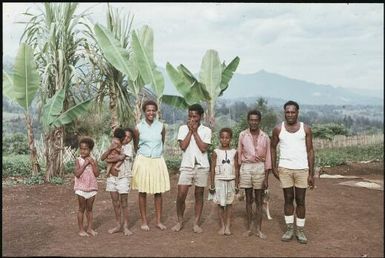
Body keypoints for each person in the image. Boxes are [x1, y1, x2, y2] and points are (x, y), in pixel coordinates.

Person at [271, 100, 315, 244]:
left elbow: (310, 151)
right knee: (288, 199)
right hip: (285, 169)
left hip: (302, 169)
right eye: (287, 112)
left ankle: (300, 230)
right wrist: (274, 167)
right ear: (284, 113)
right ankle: (289, 229)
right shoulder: (278, 129)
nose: (290, 114)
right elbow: (272, 148)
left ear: (297, 112)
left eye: (293, 112)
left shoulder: (306, 129)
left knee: (301, 200)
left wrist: (311, 173)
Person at [171, 103, 212, 233]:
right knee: (181, 194)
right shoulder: (183, 128)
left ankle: (196, 223)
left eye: (195, 116)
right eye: (190, 116)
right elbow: (183, 146)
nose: (192, 119)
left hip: (202, 166)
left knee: (199, 194)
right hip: (186, 165)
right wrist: (190, 131)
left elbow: (203, 148)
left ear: (200, 117)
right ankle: (180, 221)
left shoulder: (206, 130)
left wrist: (195, 132)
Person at [131, 100, 170, 231]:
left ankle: (158, 221)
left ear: (156, 111)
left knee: (158, 192)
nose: (151, 113)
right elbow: (136, 146)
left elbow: (162, 142)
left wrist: (155, 155)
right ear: (144, 111)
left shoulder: (161, 126)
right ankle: (144, 221)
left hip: (157, 160)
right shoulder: (138, 127)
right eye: (148, 110)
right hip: (143, 160)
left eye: (153, 110)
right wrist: (145, 156)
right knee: (142, 191)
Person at [237, 109, 271, 239]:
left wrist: (266, 177)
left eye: (256, 120)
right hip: (246, 168)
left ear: (259, 121)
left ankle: (259, 229)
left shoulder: (265, 137)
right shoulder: (242, 135)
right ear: (248, 121)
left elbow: (268, 158)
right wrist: (239, 175)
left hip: (260, 169)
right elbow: (239, 154)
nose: (253, 122)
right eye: (251, 120)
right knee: (248, 199)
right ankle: (250, 228)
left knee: (259, 200)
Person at [101, 127, 135, 236]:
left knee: (124, 203)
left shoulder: (128, 147)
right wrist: (110, 150)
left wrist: (109, 159)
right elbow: (103, 158)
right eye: (125, 136)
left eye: (129, 137)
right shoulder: (114, 145)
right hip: (111, 178)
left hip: (123, 177)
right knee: (115, 203)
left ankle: (125, 226)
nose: (126, 139)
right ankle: (118, 225)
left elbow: (120, 158)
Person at [208, 128, 239, 236]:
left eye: (227, 138)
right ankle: (222, 225)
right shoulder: (215, 152)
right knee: (221, 204)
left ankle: (228, 226)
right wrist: (212, 184)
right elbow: (212, 168)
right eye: (222, 137)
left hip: (231, 180)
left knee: (229, 203)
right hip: (219, 181)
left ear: (230, 138)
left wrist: (237, 183)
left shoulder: (234, 152)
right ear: (219, 138)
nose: (224, 140)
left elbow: (237, 168)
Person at [74, 136, 100, 237]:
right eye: (81, 149)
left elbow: (97, 174)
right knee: (81, 208)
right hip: (81, 188)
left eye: (85, 149)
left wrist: (93, 164)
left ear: (90, 149)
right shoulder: (78, 160)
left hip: (92, 187)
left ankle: (89, 228)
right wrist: (84, 164)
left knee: (90, 209)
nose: (83, 151)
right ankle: (81, 230)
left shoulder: (94, 160)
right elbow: (77, 174)